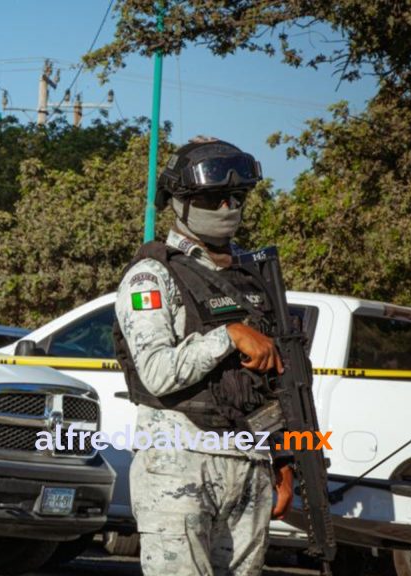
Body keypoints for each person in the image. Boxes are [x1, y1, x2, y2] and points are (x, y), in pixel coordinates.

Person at [113, 138, 295, 576]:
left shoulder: (254, 278)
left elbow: (279, 381)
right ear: (180, 202)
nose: (228, 206)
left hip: (250, 465)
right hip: (180, 464)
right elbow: (156, 372)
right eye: (214, 198)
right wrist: (228, 336)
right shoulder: (152, 276)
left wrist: (286, 460)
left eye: (238, 197)